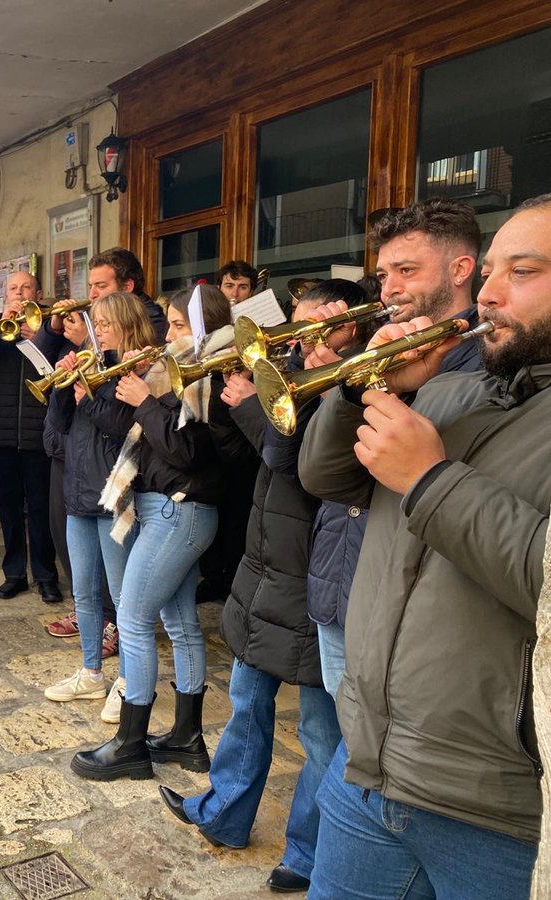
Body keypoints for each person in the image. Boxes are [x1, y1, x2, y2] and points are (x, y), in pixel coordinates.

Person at [297, 194, 551, 898]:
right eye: (491, 270)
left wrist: (431, 479)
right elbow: (324, 475)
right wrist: (363, 388)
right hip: (371, 769)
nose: (490, 293)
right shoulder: (450, 390)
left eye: (522, 272)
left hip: (496, 813)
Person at [160, 287, 351, 895]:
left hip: (314, 576)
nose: (314, 332)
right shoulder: (290, 374)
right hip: (267, 565)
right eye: (309, 320)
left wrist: (254, 403)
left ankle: (307, 852)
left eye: (328, 320)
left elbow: (294, 462)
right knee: (246, 703)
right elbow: (261, 462)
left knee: (321, 731)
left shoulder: (353, 386)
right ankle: (224, 814)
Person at [306, 198, 484, 696]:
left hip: (415, 596)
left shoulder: (488, 359)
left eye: (406, 270)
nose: (391, 288)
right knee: (333, 735)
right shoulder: (381, 344)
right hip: (348, 573)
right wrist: (355, 384)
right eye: (384, 275)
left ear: (461, 269)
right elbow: (323, 475)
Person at [70, 285, 233, 780]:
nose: (170, 334)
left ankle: (131, 743)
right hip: (171, 509)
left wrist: (144, 399)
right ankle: (186, 737)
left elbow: (186, 452)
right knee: (181, 624)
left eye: (180, 325)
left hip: (178, 511)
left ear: (204, 328)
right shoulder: (182, 369)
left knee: (134, 619)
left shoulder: (210, 372)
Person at [42, 293, 157, 724]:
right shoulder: (93, 363)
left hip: (114, 496)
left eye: (106, 323)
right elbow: (58, 429)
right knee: (85, 592)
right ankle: (91, 671)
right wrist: (60, 389)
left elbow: (122, 425)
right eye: (98, 323)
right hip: (77, 491)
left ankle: (127, 680)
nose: (99, 330)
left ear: (127, 323)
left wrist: (86, 392)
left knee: (122, 596)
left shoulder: (137, 368)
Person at [0, 271, 62, 602]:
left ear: (39, 292)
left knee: (40, 509)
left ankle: (46, 575)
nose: (19, 293)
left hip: (37, 432)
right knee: (8, 508)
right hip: (2, 433)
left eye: (25, 288)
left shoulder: (50, 327)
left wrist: (42, 336)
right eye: (13, 289)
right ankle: (14, 573)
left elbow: (60, 371)